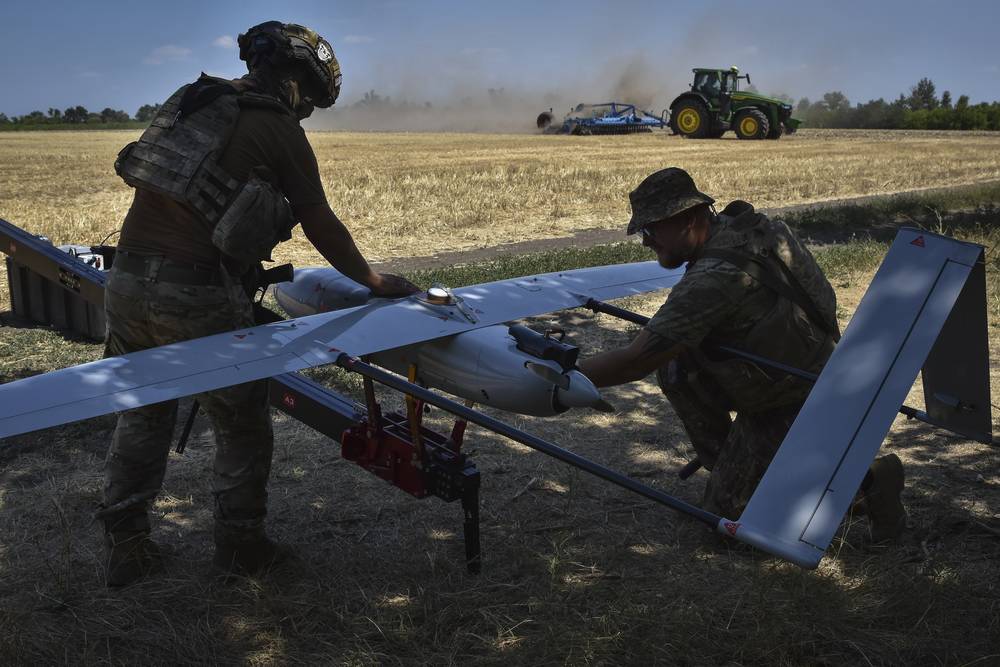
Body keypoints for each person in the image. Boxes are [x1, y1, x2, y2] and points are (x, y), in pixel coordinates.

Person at [98, 21, 420, 586]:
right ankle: (240, 545)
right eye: (311, 100)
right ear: (297, 81)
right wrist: (372, 279)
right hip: (196, 291)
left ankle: (127, 545)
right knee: (242, 420)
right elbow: (319, 220)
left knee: (143, 413)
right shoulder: (276, 129)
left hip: (125, 281)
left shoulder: (197, 101)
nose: (308, 112)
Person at [578, 167, 906, 544]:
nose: (646, 242)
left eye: (650, 230)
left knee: (729, 528)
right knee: (676, 366)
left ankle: (869, 484)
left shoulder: (715, 277)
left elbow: (636, 360)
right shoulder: (747, 228)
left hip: (796, 397)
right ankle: (743, 469)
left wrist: (565, 374)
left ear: (687, 219)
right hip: (804, 368)